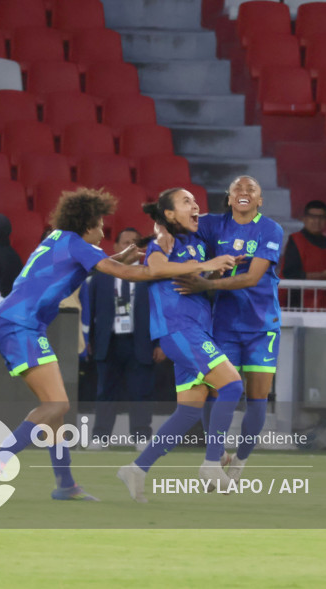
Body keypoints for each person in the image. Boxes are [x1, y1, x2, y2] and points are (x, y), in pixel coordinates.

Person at [0, 188, 223, 502]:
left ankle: (65, 484)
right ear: (87, 225)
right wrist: (178, 267)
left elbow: (93, 264)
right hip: (19, 324)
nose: (102, 232)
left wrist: (123, 257)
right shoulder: (78, 245)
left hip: (17, 322)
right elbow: (122, 273)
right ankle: (0, 457)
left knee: (56, 408)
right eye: (100, 225)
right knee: (56, 406)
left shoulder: (60, 239)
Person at [116, 188, 243, 502]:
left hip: (195, 329)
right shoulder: (163, 241)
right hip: (179, 330)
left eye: (195, 201)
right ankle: (212, 463)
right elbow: (157, 268)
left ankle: (137, 468)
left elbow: (193, 274)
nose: (195, 205)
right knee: (231, 385)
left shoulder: (194, 243)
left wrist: (213, 269)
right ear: (170, 214)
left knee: (188, 412)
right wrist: (206, 264)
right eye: (186, 202)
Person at [171, 176, 284, 482]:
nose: (244, 192)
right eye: (238, 188)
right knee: (217, 390)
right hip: (224, 323)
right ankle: (217, 453)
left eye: (251, 189)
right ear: (230, 197)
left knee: (257, 397)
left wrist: (206, 284)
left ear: (259, 200)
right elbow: (179, 227)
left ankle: (241, 460)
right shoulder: (213, 225)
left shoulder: (270, 229)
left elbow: (251, 278)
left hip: (262, 326)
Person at [88, 227, 163, 450]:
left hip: (140, 341)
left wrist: (160, 343)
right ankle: (100, 437)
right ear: (116, 247)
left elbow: (160, 312)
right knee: (105, 392)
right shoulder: (101, 277)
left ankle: (141, 436)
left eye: (135, 242)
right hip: (108, 341)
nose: (130, 246)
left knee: (141, 391)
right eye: (125, 242)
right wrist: (89, 340)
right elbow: (91, 311)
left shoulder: (150, 275)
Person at [282, 200, 326, 308]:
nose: (317, 221)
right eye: (312, 217)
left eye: (321, 217)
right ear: (304, 219)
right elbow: (290, 274)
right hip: (300, 306)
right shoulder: (296, 240)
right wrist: (322, 276)